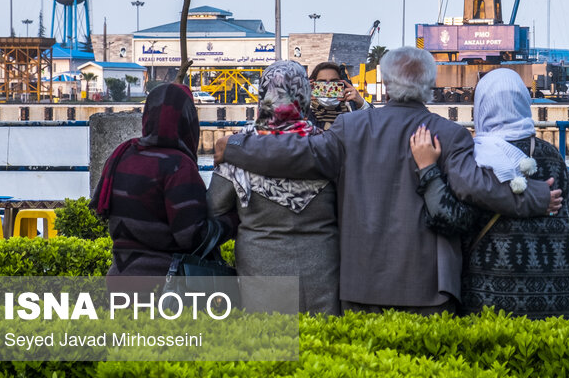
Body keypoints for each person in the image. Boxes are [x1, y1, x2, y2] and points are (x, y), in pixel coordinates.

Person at [214, 47, 562, 314]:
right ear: (430, 86)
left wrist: (235, 147)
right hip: (430, 286)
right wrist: (536, 197)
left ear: (385, 84)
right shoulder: (450, 134)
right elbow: (475, 186)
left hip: (360, 283)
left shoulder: (350, 128)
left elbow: (295, 154)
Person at [408, 68, 569, 319]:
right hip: (561, 294)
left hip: (492, 296)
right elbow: (568, 217)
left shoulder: (477, 158)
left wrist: (427, 170)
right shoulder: (552, 155)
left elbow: (451, 219)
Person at [207, 61, 340, 315]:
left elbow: (214, 207)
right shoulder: (326, 145)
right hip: (321, 271)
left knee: (268, 348)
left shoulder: (236, 147)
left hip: (260, 273)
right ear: (304, 94)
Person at [90, 83, 236, 278]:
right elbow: (191, 237)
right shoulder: (178, 166)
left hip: (119, 278)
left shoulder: (122, 155)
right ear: (188, 120)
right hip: (164, 287)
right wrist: (234, 219)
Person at [308, 61, 368, 129]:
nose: (329, 87)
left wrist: (362, 104)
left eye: (334, 82)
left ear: (342, 84)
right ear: (313, 85)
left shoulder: (352, 108)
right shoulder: (304, 110)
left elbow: (374, 127)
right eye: (322, 82)